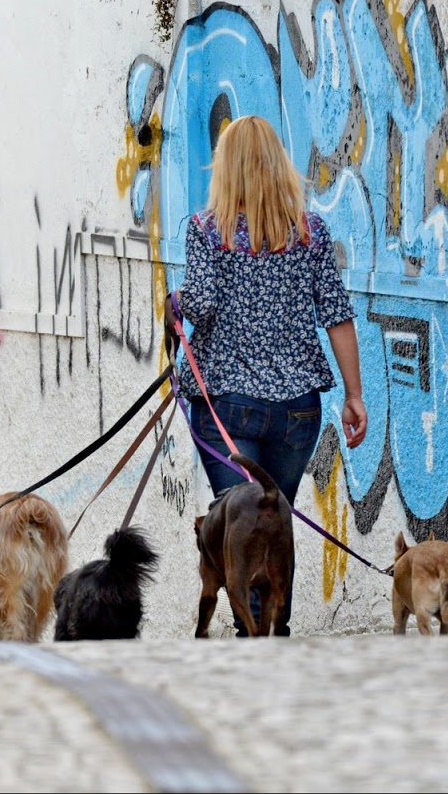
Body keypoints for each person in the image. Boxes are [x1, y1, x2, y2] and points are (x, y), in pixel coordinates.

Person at [164, 115, 368, 636]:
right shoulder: (310, 232)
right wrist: (354, 394)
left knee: (241, 528)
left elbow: (202, 305)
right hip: (297, 411)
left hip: (227, 406)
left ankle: (254, 648)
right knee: (275, 521)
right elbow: (337, 314)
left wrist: (177, 301)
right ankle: (275, 637)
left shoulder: (207, 230)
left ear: (226, 169)